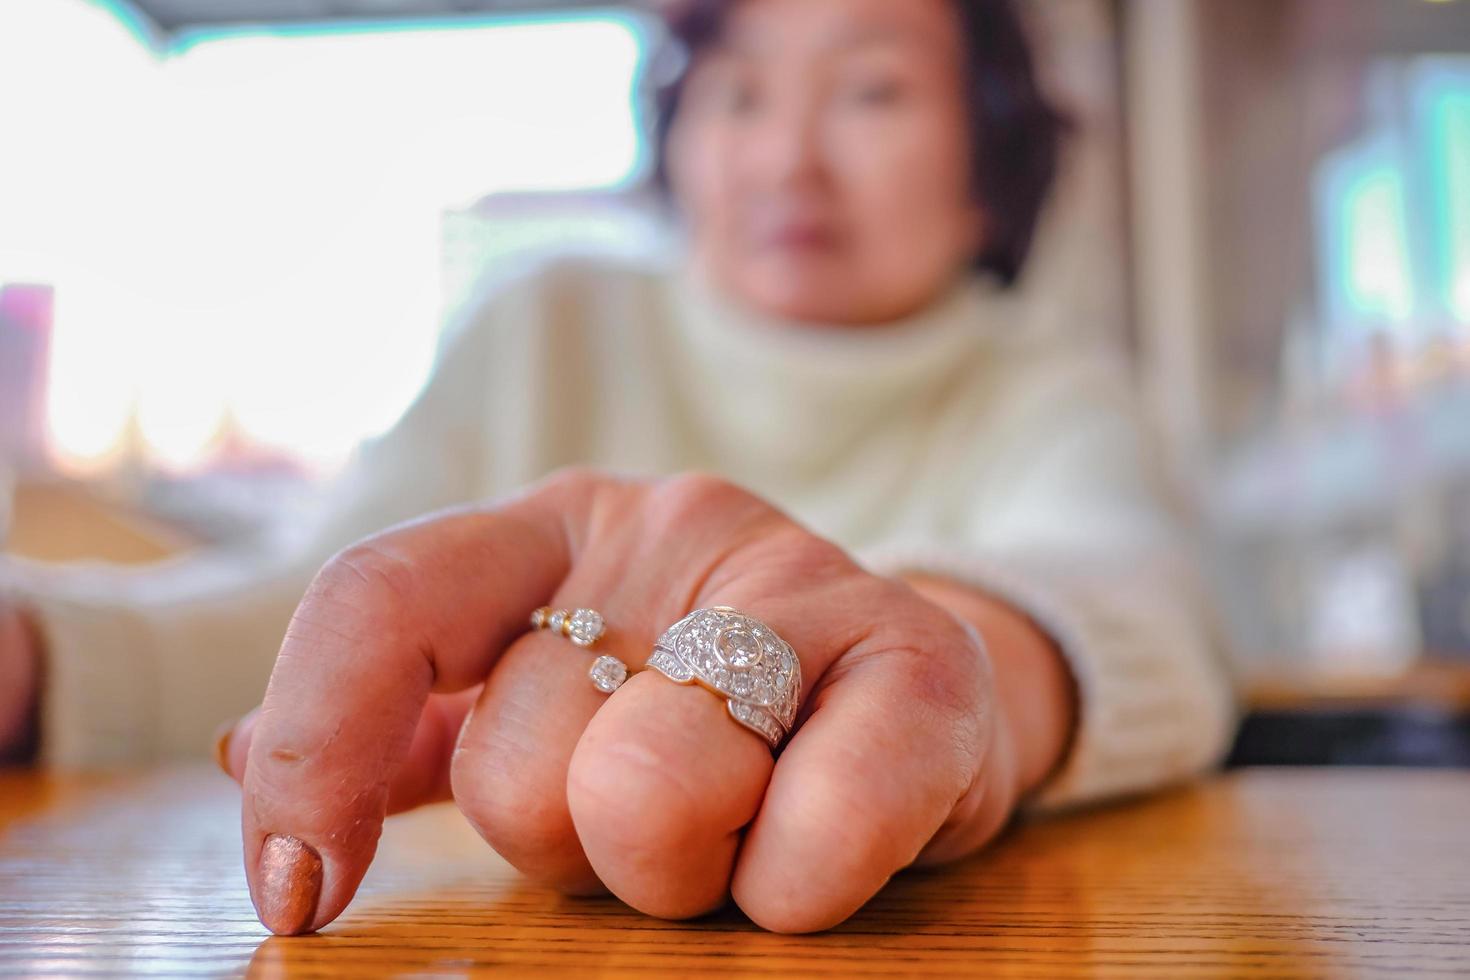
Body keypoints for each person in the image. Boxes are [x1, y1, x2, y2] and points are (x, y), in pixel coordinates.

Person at [0, 0, 1237, 936]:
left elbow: (1134, 605)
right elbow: (311, 635)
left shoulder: (1054, 382)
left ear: (991, 168)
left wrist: (947, 677)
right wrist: (42, 656)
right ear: (680, 139)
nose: (788, 157)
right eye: (739, 96)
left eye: (870, 94)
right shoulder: (545, 318)